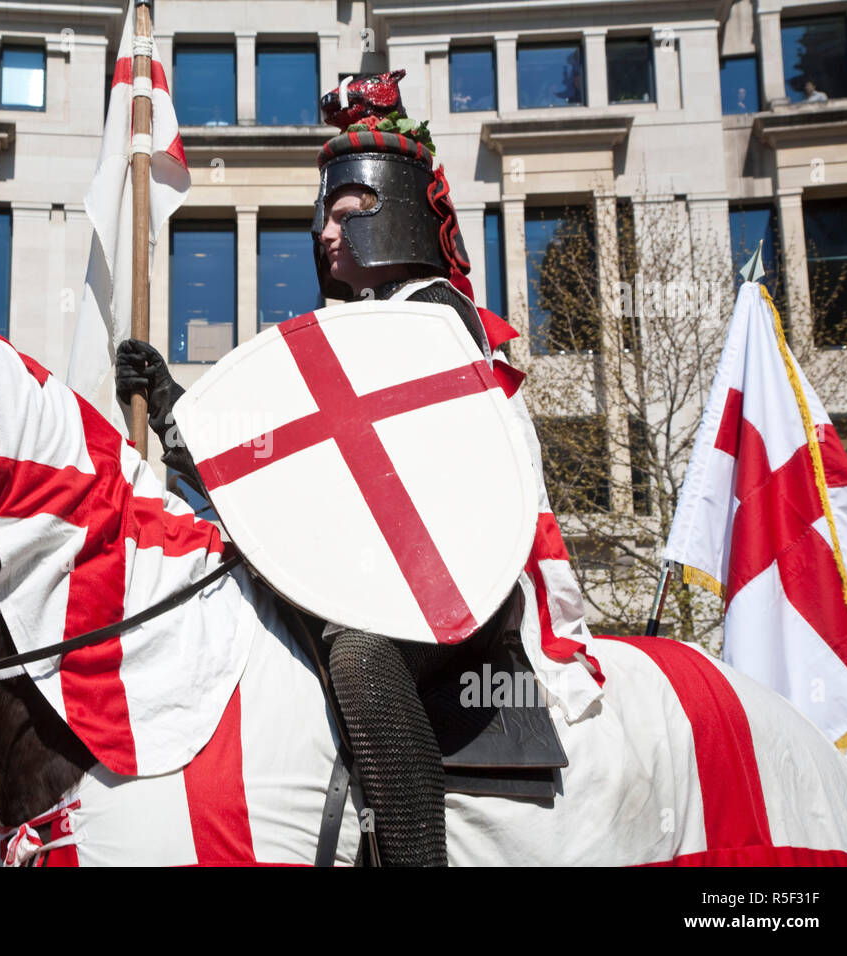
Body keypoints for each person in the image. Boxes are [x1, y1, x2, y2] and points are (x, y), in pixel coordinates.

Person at [117, 76, 548, 865]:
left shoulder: (434, 322)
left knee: (361, 656)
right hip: (360, 574)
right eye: (326, 217)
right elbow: (282, 469)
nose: (326, 234)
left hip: (446, 581)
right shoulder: (344, 332)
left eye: (350, 215)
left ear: (400, 213)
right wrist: (175, 410)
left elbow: (451, 479)